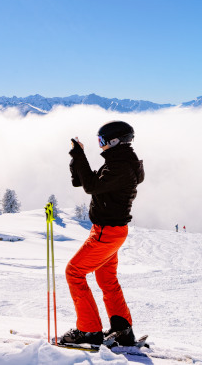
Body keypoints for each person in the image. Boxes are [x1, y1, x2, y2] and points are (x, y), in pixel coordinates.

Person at [61, 121, 144, 347]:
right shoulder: (121, 162)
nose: (101, 145)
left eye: (102, 141)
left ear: (114, 141)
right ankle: (122, 329)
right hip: (114, 231)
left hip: (105, 232)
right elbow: (86, 182)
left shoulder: (119, 167)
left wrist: (80, 156)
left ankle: (89, 331)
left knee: (74, 272)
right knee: (106, 278)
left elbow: (90, 186)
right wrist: (77, 158)